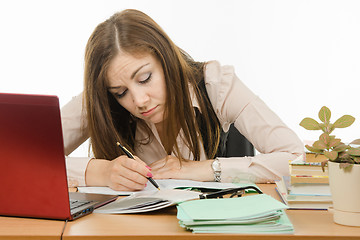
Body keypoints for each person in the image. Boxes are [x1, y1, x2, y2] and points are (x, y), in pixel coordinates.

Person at [61, 9, 304, 191]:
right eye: (121, 92)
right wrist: (99, 172)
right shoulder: (101, 100)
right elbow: (25, 160)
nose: (140, 101)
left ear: (166, 58)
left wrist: (200, 169)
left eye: (145, 78)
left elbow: (295, 157)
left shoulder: (216, 84)